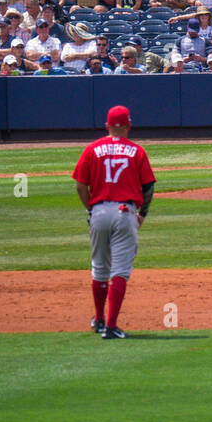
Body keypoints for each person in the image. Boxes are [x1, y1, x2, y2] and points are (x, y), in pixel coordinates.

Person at [71, 105, 155, 340]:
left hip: (98, 211)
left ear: (107, 126)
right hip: (124, 211)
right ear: (128, 125)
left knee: (99, 268)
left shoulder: (92, 149)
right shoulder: (136, 151)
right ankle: (111, 326)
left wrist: (91, 208)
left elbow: (79, 185)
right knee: (120, 271)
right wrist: (143, 214)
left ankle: (98, 320)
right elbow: (148, 186)